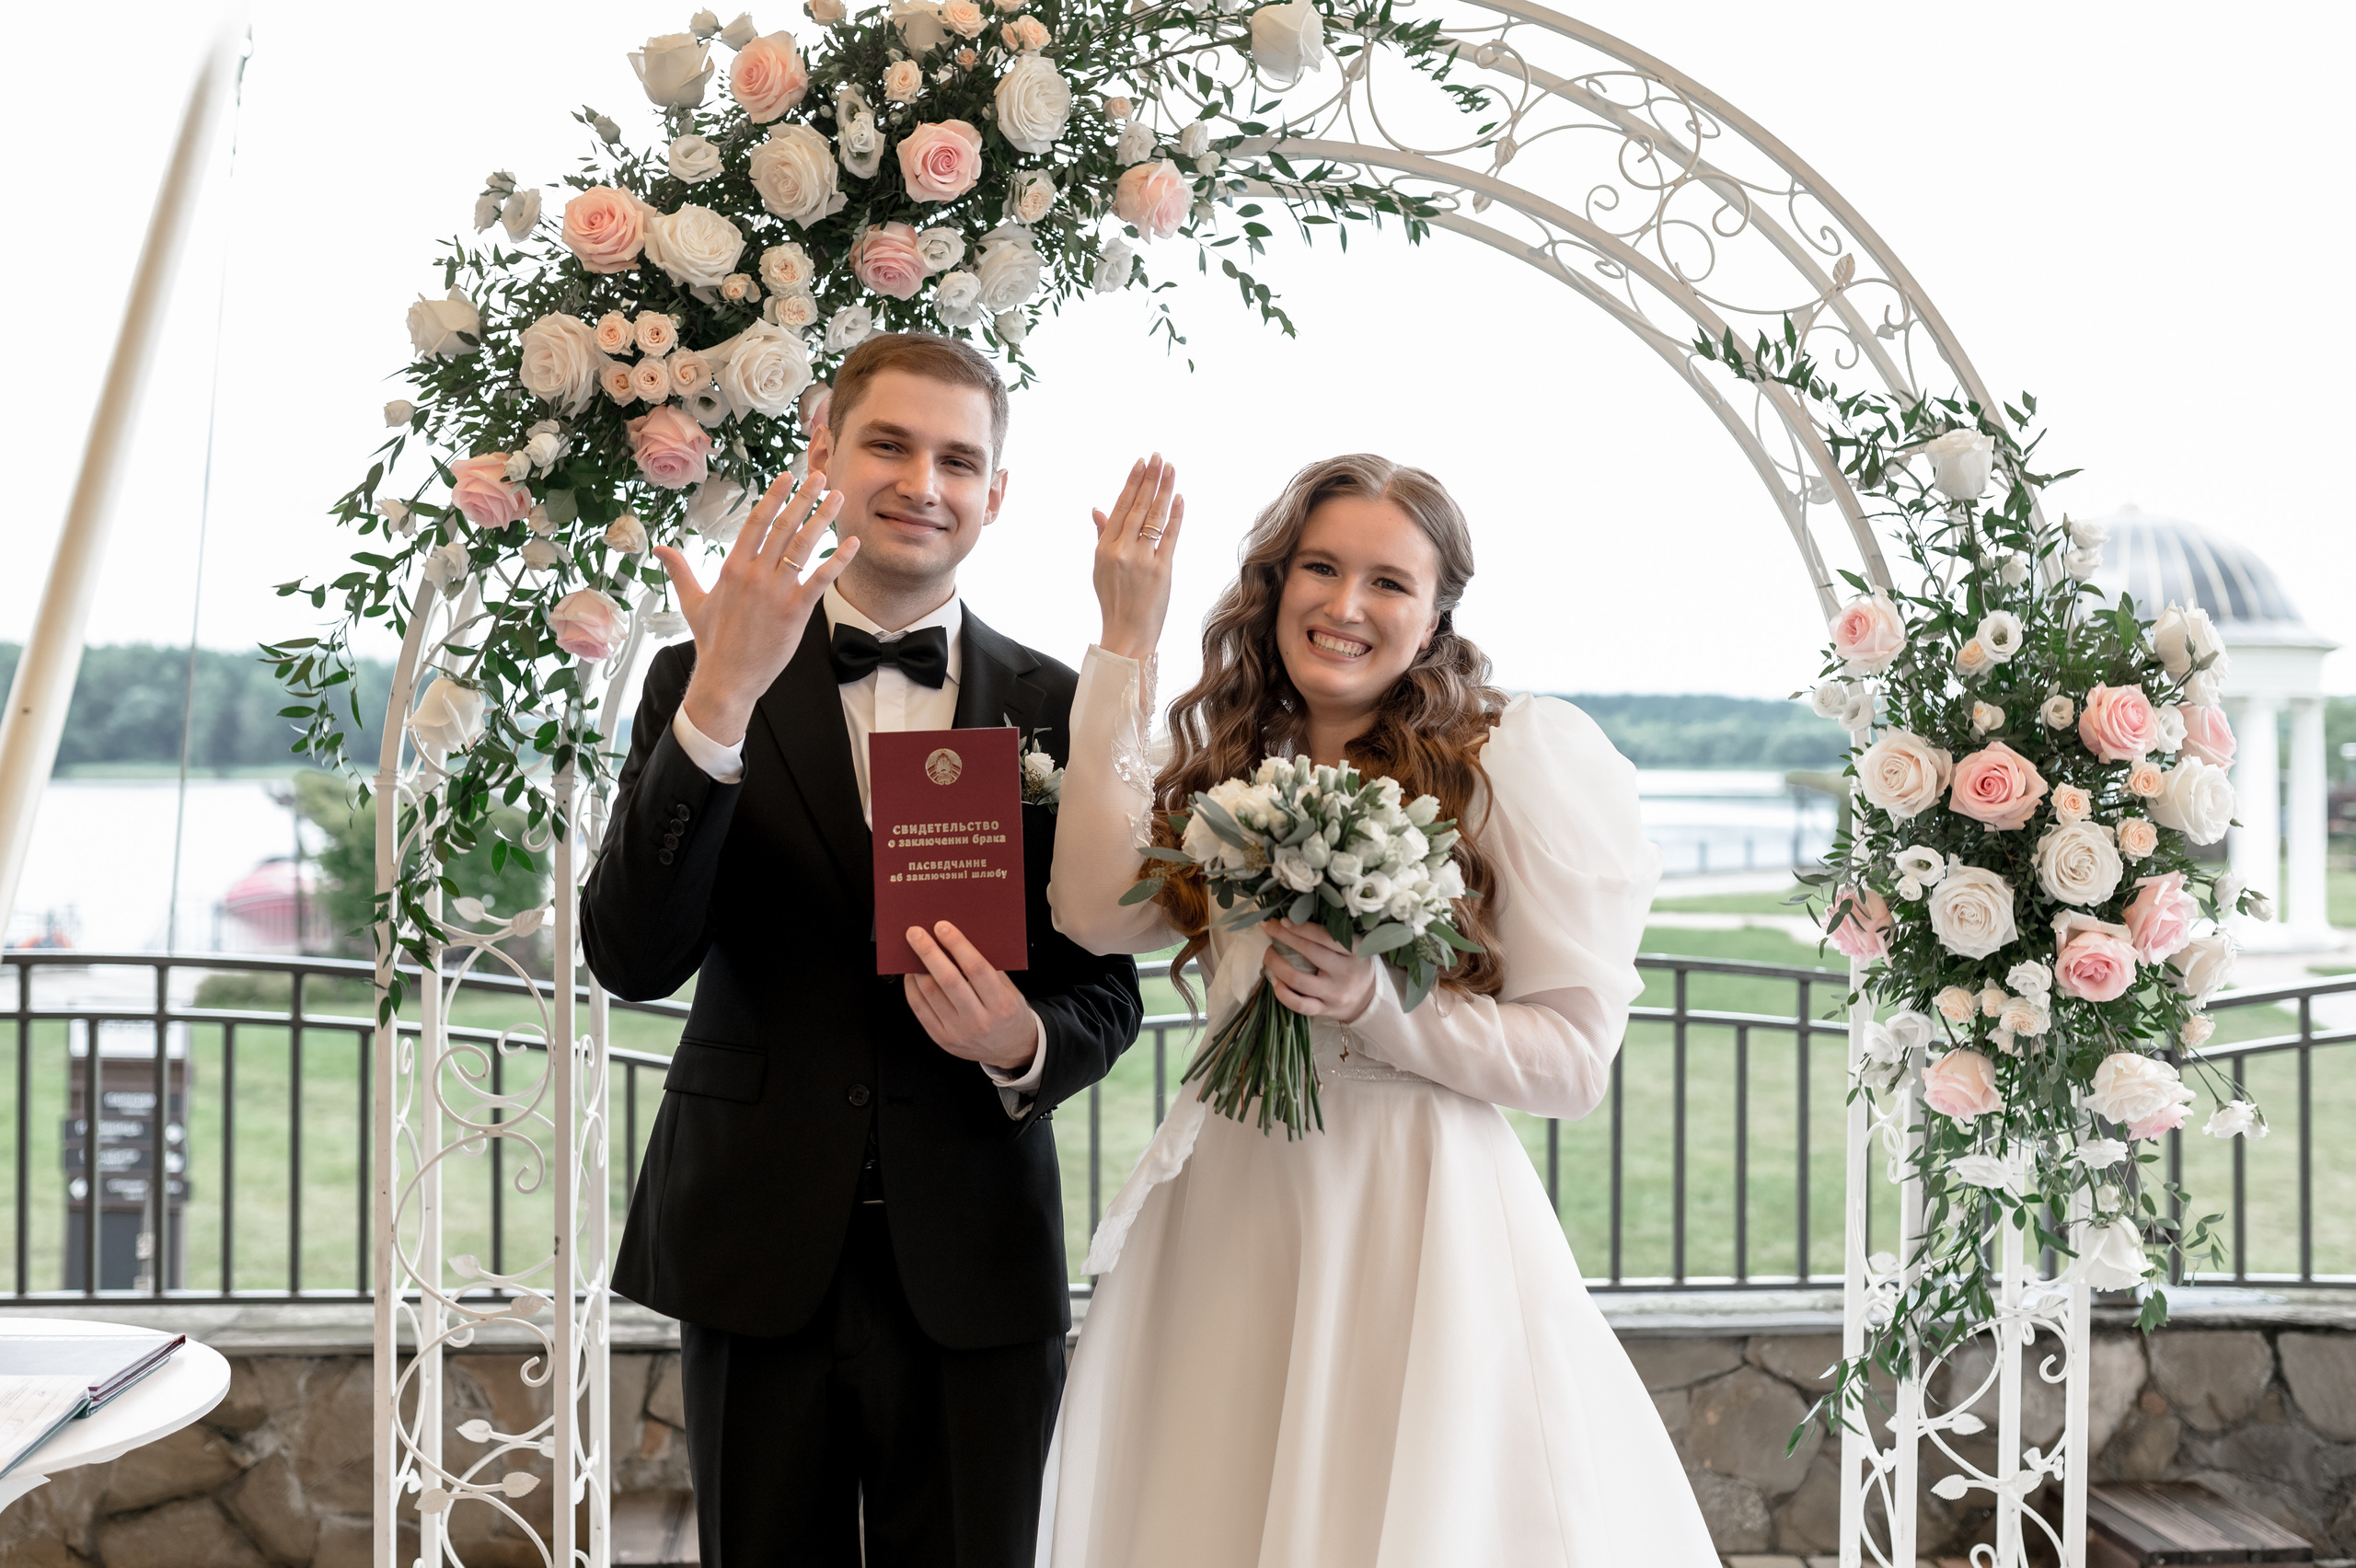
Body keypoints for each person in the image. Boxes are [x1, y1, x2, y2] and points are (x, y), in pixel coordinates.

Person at [1038, 454, 1719, 1565]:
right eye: (1318, 567)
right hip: (1233, 1209)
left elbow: (1573, 1062)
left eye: (1388, 582)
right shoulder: (1229, 756)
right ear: (1274, 584)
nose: (1344, 606)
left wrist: (1379, 1005)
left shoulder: (1508, 761)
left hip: (1413, 1220)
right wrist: (1124, 640)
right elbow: (1091, 915)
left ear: (1440, 608)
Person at [582, 333, 1143, 1568]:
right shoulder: (696, 676)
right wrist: (720, 705)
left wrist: (1024, 1042)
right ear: (823, 453)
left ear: (998, 495)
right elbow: (630, 956)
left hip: (978, 1256)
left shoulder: (1056, 706)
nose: (922, 483)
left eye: (959, 459)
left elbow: (1109, 984)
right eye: (887, 443)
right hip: (758, 1240)